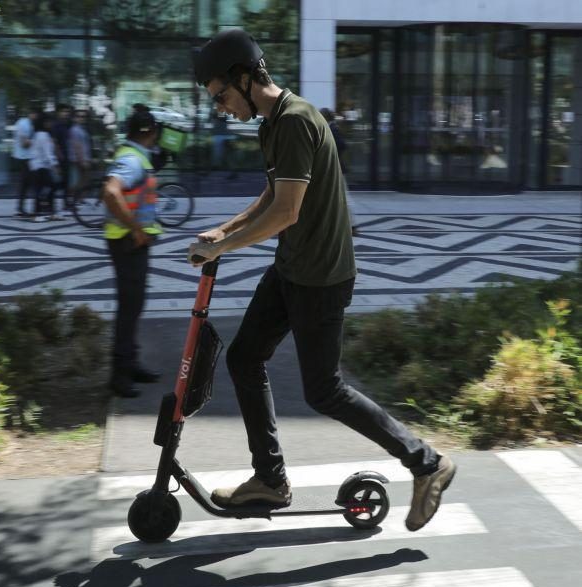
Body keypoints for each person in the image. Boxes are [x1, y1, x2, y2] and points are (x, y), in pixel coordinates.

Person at [187, 28, 455, 532]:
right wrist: (226, 227)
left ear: (245, 79)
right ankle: (269, 478)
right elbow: (272, 196)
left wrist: (222, 248)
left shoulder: (294, 121)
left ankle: (428, 463)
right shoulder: (271, 123)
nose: (220, 107)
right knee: (245, 357)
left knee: (324, 390)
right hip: (293, 268)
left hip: (321, 278)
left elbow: (287, 212)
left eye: (221, 95)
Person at [100, 107, 164, 398]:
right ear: (150, 132)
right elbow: (111, 192)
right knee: (129, 309)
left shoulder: (134, 155)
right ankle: (120, 375)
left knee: (133, 307)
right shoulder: (131, 160)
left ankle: (131, 364)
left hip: (129, 242)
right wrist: (136, 228)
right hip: (127, 242)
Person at [320, 107, 358, 236]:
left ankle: (352, 225)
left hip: (337, 169)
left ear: (325, 117)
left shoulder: (333, 129)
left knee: (344, 198)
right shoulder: (330, 128)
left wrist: (331, 151)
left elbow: (342, 145)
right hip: (332, 168)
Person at [29, 113, 60, 222]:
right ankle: (38, 214)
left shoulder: (38, 134)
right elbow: (48, 154)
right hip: (40, 166)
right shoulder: (43, 135)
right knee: (49, 188)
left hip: (37, 166)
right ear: (43, 123)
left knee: (45, 189)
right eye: (48, 122)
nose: (50, 124)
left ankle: (49, 212)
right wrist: (54, 165)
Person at [11, 104, 38, 217]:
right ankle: (22, 208)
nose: (36, 116)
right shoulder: (23, 124)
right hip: (24, 158)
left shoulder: (29, 124)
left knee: (26, 184)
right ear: (31, 113)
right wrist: (37, 140)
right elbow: (24, 143)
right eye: (35, 113)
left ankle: (22, 208)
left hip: (28, 158)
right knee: (27, 183)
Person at [50, 103, 72, 208]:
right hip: (60, 158)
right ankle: (50, 200)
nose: (66, 114)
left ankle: (66, 202)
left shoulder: (65, 125)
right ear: (58, 113)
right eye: (64, 111)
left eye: (67, 112)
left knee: (65, 181)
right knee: (58, 181)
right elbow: (54, 142)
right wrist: (59, 156)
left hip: (66, 156)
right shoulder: (56, 125)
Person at [68, 109, 93, 198]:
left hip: (83, 158)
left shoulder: (82, 129)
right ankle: (74, 200)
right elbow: (77, 146)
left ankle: (77, 199)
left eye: (83, 116)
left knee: (83, 180)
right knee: (77, 181)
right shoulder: (75, 130)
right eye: (79, 116)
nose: (81, 118)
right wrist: (82, 160)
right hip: (78, 159)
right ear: (74, 118)